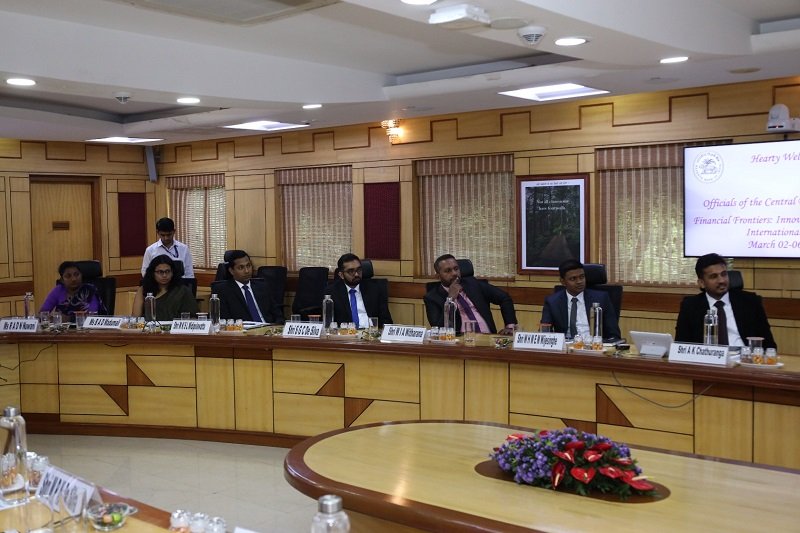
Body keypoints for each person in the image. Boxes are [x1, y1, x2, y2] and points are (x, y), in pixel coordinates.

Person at [675, 253, 776, 349]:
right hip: (707, 361)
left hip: (744, 360)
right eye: (714, 276)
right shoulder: (690, 306)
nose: (721, 280)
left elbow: (769, 344)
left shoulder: (750, 302)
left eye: (724, 274)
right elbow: (681, 346)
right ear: (702, 283)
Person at [424, 254, 517, 334]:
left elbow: (504, 298)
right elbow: (438, 329)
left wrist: (510, 326)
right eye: (448, 271)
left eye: (456, 269)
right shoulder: (432, 297)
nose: (454, 273)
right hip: (459, 342)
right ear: (438, 276)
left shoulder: (473, 283)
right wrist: (450, 299)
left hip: (488, 337)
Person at [541, 259, 621, 341]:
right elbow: (545, 333)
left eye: (582, 277)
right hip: (566, 348)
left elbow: (614, 335)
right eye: (573, 279)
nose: (579, 281)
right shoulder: (552, 302)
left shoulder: (601, 298)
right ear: (563, 282)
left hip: (594, 347)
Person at [215, 250, 284, 323]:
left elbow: (277, 314)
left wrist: (278, 326)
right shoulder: (223, 291)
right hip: (244, 331)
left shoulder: (262, 286)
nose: (247, 271)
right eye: (241, 268)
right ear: (231, 271)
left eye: (248, 266)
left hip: (268, 329)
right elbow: (224, 320)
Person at [325, 253, 392, 327]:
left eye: (359, 270)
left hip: (371, 334)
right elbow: (328, 322)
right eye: (351, 271)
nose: (356, 274)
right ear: (341, 275)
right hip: (346, 335)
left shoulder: (375, 289)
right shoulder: (331, 292)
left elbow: (386, 320)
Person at [133, 255, 198, 321]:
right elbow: (135, 319)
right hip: (149, 329)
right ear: (152, 273)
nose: (164, 275)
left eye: (167, 271)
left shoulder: (183, 291)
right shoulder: (143, 290)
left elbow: (193, 318)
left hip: (175, 329)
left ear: (173, 272)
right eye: (160, 272)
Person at [40, 261, 105, 319]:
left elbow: (92, 316)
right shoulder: (58, 290)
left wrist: (68, 319)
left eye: (76, 275)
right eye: (68, 276)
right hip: (62, 331)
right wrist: (51, 318)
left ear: (81, 275)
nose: (73, 279)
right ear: (62, 280)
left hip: (88, 330)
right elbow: (42, 314)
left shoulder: (89, 291)